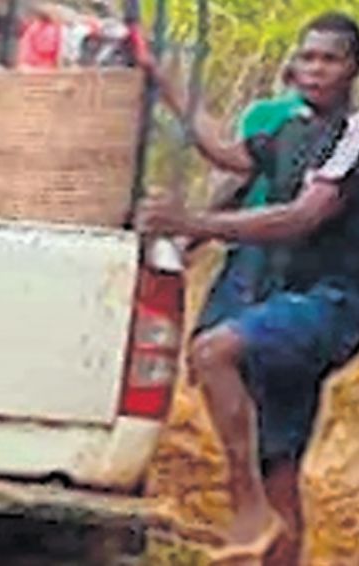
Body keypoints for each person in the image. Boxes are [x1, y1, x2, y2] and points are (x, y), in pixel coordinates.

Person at [136, 12, 359, 563]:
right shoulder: (291, 128)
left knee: (213, 351)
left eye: (329, 59)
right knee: (278, 462)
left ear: (354, 69)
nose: (314, 69)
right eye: (306, 57)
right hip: (284, 299)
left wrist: (194, 226)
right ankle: (264, 521)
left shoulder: (353, 138)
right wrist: (162, 76)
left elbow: (302, 218)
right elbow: (225, 152)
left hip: (331, 302)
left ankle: (245, 507)